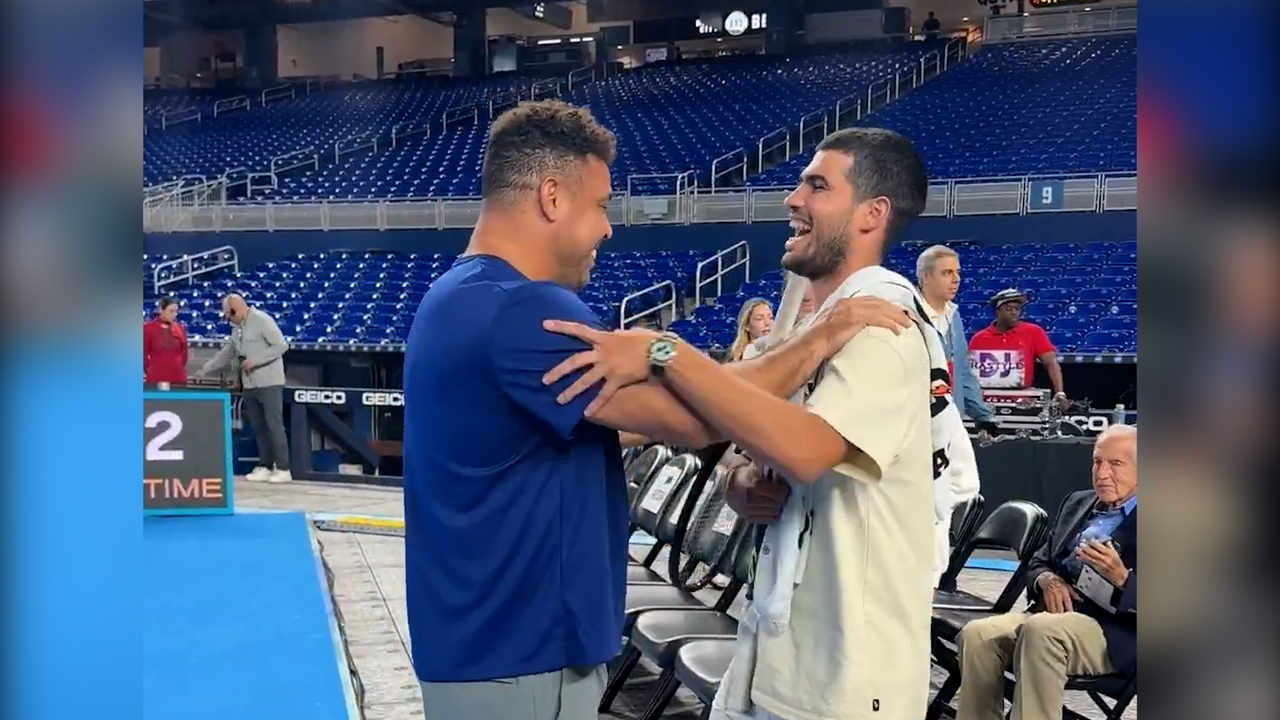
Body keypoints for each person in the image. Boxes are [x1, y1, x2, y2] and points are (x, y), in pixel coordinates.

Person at [401, 101, 908, 720]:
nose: (607, 229)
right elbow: (696, 418)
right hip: (521, 652)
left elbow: (587, 433)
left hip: (481, 644)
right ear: (552, 198)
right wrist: (818, 338)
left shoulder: (458, 294)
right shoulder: (523, 307)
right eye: (600, 206)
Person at [543, 127, 937, 720]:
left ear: (872, 213)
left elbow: (807, 450)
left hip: (848, 676)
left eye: (817, 186)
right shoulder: (828, 324)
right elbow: (763, 448)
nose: (792, 198)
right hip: (781, 649)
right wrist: (742, 482)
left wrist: (663, 352)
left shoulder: (884, 322)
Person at [955, 424, 1137, 720]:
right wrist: (1047, 580)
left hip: (1114, 631)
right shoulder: (1078, 502)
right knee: (977, 635)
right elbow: (1039, 561)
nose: (1102, 473)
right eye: (1097, 462)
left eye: (1115, 464)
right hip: (1052, 615)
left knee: (1042, 632)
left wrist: (1122, 578)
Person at [916, 245, 994, 588]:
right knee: (928, 501)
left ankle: (937, 574)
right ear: (925, 277)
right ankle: (925, 578)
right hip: (920, 425)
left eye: (958, 273)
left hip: (951, 421)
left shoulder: (954, 315)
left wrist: (982, 414)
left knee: (952, 496)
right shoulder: (910, 314)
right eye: (947, 272)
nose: (956, 279)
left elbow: (961, 373)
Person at [195, 293, 291, 483]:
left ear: (235, 310)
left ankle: (283, 468)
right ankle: (265, 465)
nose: (229, 319)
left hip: (269, 382)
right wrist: (205, 369)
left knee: (274, 425)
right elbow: (227, 352)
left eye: (229, 314)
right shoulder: (237, 329)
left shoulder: (262, 320)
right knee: (258, 427)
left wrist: (255, 361)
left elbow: (281, 346)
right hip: (249, 384)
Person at [968, 288, 1069, 411]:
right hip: (986, 403)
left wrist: (1059, 392)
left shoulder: (1033, 332)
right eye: (1008, 309)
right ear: (997, 312)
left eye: (1017, 309)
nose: (1014, 312)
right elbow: (968, 371)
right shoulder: (979, 339)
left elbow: (1051, 362)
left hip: (1022, 403)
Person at [144, 296, 188, 387]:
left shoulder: (180, 329)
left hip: (178, 377)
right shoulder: (148, 329)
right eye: (171, 311)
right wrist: (149, 370)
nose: (174, 314)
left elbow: (184, 354)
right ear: (161, 310)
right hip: (157, 377)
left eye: (176, 312)